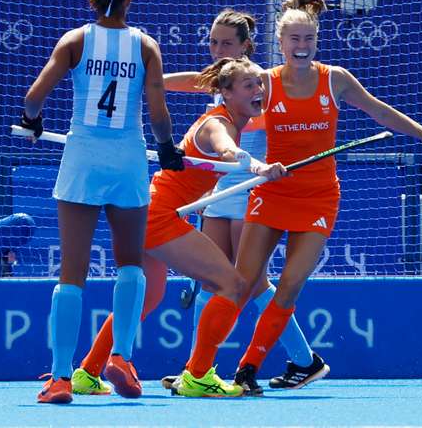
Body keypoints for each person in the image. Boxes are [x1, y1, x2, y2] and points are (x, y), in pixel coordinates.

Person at [171, 0, 422, 396]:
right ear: (280, 43)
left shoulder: (334, 79)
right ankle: (198, 371)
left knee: (288, 286)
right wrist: (152, 82)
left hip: (319, 197)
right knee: (241, 283)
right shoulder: (264, 82)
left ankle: (248, 370)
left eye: (309, 40)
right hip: (271, 191)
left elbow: (378, 110)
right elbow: (207, 82)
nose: (301, 47)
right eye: (294, 40)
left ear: (316, 42)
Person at [70, 56, 288, 398]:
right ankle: (198, 375)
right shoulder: (220, 124)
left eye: (259, 84)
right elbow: (227, 150)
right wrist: (257, 167)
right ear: (226, 94)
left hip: (146, 209)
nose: (258, 90)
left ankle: (87, 372)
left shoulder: (232, 120)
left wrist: (254, 165)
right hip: (157, 214)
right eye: (249, 85)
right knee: (231, 284)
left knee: (149, 297)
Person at [19, 0, 185, 404]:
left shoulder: (75, 41)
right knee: (130, 263)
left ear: (91, 1)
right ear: (130, 1)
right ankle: (122, 358)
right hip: (128, 158)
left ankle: (59, 378)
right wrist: (167, 150)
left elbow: (34, 97)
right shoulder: (146, 46)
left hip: (83, 158)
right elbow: (158, 113)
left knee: (71, 272)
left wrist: (32, 123)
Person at [155, 9, 325, 392]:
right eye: (213, 42)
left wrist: (252, 162)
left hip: (250, 190)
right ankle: (197, 370)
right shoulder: (223, 82)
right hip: (220, 193)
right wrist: (148, 83)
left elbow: (262, 127)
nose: (217, 50)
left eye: (226, 43)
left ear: (246, 46)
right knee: (212, 281)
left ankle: (303, 359)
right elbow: (176, 83)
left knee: (251, 282)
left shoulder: (255, 84)